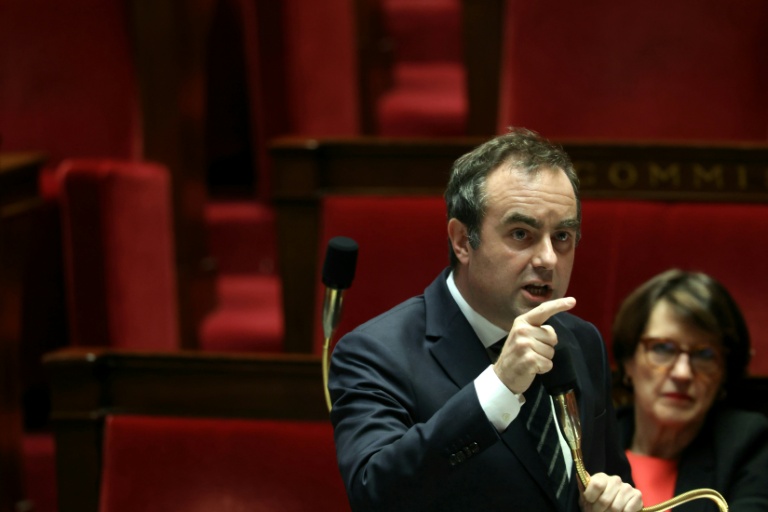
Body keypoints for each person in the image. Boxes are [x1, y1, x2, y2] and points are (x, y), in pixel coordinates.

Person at [328, 128, 642, 512]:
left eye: (562, 236)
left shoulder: (582, 340)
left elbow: (607, 476)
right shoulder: (376, 352)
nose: (548, 259)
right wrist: (499, 387)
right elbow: (375, 495)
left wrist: (614, 501)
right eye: (521, 233)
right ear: (463, 240)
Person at [612, 269, 768, 510]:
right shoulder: (590, 441)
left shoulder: (749, 444)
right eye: (662, 348)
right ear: (628, 361)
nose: (682, 373)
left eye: (705, 354)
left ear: (725, 371)